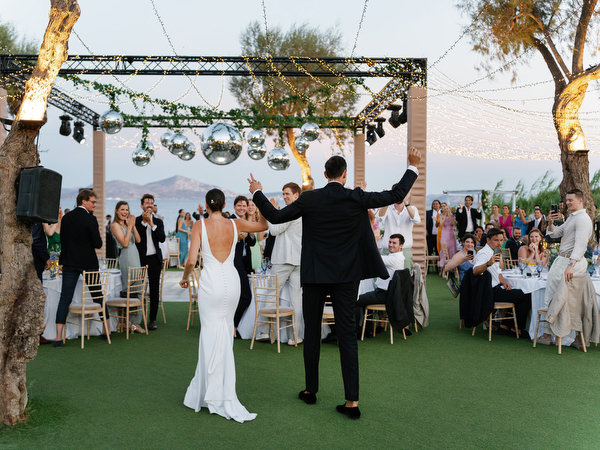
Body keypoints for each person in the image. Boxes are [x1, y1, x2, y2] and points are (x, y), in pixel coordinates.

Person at [250, 148, 421, 420]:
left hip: (315, 275)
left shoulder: (310, 199)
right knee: (347, 336)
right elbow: (396, 195)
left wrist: (257, 192)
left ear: (325, 174)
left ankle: (310, 390)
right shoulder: (356, 196)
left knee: (312, 332)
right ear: (344, 175)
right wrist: (412, 166)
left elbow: (275, 216)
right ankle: (352, 401)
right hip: (346, 277)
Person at [179, 188, 267, 423]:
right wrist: (260, 205)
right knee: (226, 331)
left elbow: (190, 260)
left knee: (210, 332)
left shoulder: (199, 225)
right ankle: (222, 391)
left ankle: (210, 393)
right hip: (232, 280)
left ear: (206, 206)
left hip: (211, 283)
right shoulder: (235, 224)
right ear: (224, 204)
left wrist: (185, 278)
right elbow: (263, 227)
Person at [537, 189, 593, 347]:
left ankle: (548, 335)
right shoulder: (572, 218)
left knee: (555, 297)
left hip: (568, 262)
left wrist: (570, 265)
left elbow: (581, 244)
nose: (567, 203)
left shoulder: (582, 219)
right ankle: (565, 337)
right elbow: (555, 235)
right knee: (563, 299)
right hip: (565, 260)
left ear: (580, 201)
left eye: (571, 200)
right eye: (566, 200)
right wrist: (549, 222)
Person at [54, 189, 107, 347]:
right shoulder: (90, 219)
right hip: (88, 263)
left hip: (69, 262)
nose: (95, 205)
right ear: (83, 201)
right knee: (98, 295)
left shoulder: (67, 218)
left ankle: (58, 337)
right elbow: (98, 243)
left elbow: (63, 240)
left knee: (65, 298)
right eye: (93, 202)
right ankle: (107, 330)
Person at [473, 228, 531, 336]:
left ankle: (505, 325)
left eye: (501, 240)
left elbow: (499, 273)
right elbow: (475, 271)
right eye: (496, 240)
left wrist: (504, 283)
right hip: (490, 292)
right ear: (488, 240)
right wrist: (487, 264)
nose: (499, 243)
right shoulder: (484, 254)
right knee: (526, 295)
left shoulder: (494, 252)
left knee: (522, 293)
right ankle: (515, 328)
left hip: (498, 288)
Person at [268, 182, 303, 345]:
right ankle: (295, 336)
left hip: (284, 259)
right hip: (298, 259)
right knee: (297, 299)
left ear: (296, 195)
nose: (284, 197)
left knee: (271, 294)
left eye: (287, 194)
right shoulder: (304, 210)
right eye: (283, 194)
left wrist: (272, 213)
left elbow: (275, 230)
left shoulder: (292, 210)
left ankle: (267, 332)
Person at [355, 233, 405, 335]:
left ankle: (355, 331)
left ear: (401, 245)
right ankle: (367, 329)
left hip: (385, 295)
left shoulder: (395, 259)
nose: (391, 245)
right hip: (385, 293)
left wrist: (374, 242)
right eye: (390, 242)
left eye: (394, 243)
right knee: (364, 297)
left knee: (355, 300)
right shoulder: (397, 257)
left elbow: (375, 257)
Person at [110, 201, 145, 334]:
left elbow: (138, 240)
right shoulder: (114, 225)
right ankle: (130, 322)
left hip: (135, 255)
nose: (125, 212)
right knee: (130, 289)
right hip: (127, 257)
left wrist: (133, 225)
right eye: (122, 209)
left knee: (138, 289)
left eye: (127, 209)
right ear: (116, 211)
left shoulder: (127, 224)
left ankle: (131, 322)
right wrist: (129, 226)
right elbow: (124, 243)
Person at [135, 193, 166, 331]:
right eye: (147, 203)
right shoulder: (136, 221)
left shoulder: (158, 222)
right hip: (140, 259)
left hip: (154, 259)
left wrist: (152, 223)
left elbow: (162, 238)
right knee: (137, 289)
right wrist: (144, 222)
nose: (149, 205)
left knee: (154, 290)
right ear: (142, 205)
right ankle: (136, 318)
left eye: (151, 203)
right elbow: (137, 239)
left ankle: (152, 319)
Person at [230, 196, 256, 330]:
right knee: (245, 296)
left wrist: (249, 224)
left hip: (245, 263)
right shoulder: (230, 221)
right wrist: (238, 238)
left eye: (244, 206)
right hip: (234, 263)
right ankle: (233, 324)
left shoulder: (245, 221)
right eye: (239, 205)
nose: (241, 208)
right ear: (234, 207)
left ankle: (238, 325)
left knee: (241, 295)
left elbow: (252, 242)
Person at [378, 193, 420, 269]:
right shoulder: (387, 208)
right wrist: (387, 200)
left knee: (405, 278)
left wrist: (406, 203)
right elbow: (379, 218)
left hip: (405, 250)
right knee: (384, 279)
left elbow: (416, 220)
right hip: (387, 250)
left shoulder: (412, 208)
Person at [436, 202, 457, 267]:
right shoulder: (442, 216)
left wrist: (450, 216)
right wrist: (445, 216)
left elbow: (454, 224)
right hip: (444, 233)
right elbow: (442, 224)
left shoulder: (453, 216)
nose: (446, 210)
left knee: (452, 248)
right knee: (444, 249)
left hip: (451, 234)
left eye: (447, 209)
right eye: (445, 209)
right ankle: (444, 265)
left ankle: (452, 265)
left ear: (450, 209)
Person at [246, 199, 265, 272]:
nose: (250, 207)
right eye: (248, 205)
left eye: (252, 205)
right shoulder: (243, 220)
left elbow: (260, 238)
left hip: (256, 251)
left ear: (256, 207)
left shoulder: (259, 221)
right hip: (246, 252)